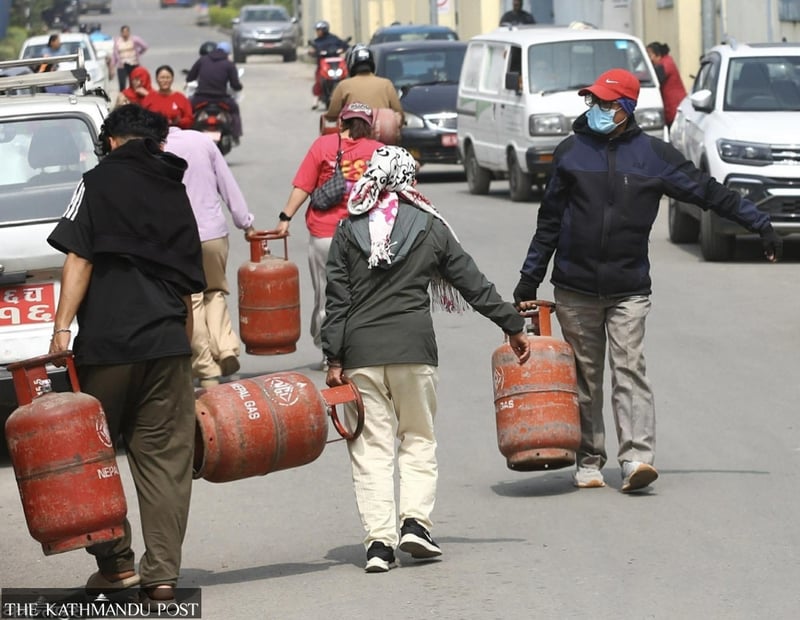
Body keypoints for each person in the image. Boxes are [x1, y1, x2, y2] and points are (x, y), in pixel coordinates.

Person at [512, 68, 782, 494]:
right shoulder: (571, 153)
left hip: (629, 288)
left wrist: (759, 223)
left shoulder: (654, 156)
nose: (597, 109)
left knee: (630, 369)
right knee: (584, 377)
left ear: (625, 110)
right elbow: (548, 223)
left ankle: (637, 458)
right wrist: (530, 279)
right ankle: (588, 458)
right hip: (574, 286)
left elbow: (708, 192)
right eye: (593, 102)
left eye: (605, 103)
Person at [322, 145, 531, 572]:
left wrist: (333, 358)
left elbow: (337, 302)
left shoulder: (347, 230)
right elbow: (472, 283)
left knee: (371, 448)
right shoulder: (431, 228)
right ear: (405, 180)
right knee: (417, 438)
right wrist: (511, 324)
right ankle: (415, 524)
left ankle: (378, 546)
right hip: (414, 353)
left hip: (361, 354)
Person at [46, 104, 205, 606]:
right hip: (166, 344)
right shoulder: (174, 190)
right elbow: (185, 281)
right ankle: (162, 578)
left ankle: (116, 566)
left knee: (86, 456)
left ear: (111, 140)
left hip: (108, 347)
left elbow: (79, 258)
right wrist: (188, 343)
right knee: (165, 462)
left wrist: (61, 329)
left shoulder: (95, 183)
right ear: (155, 143)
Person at [277, 102, 383, 370]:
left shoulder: (323, 146)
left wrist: (285, 218)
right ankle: (360, 349)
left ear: (342, 123)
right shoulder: (378, 151)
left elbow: (303, 185)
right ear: (369, 125)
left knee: (326, 294)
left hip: (325, 234)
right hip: (365, 235)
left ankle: (329, 352)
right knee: (362, 294)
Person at [164, 122, 255, 387]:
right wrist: (245, 222)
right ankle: (225, 347)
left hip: (181, 237)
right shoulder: (203, 141)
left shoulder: (159, 149)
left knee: (192, 298)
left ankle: (206, 369)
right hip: (214, 234)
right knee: (214, 292)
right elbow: (228, 185)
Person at [323, 44, 403, 125]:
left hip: (354, 133)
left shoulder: (343, 85)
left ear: (350, 64)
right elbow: (398, 113)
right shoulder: (386, 84)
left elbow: (332, 114)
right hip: (383, 132)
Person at [186, 41, 243, 143]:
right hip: (221, 99)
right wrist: (239, 87)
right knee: (234, 109)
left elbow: (190, 78)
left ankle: (184, 133)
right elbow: (235, 85)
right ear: (228, 53)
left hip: (201, 98)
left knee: (187, 109)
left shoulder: (202, 60)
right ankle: (236, 134)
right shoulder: (229, 64)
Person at [647, 41, 688, 129]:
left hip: (674, 108)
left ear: (657, 54)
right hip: (672, 108)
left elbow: (655, 77)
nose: (649, 59)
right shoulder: (667, 61)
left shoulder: (666, 64)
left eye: (650, 55)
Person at [310, 20, 349, 110]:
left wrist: (343, 48)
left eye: (319, 30)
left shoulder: (334, 39)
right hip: (323, 65)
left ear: (324, 30)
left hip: (336, 64)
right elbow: (312, 50)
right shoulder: (316, 42)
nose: (317, 32)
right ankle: (315, 100)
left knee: (345, 77)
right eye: (317, 30)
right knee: (319, 80)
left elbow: (344, 45)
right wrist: (313, 52)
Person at [142, 65, 194, 129]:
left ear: (172, 79)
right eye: (162, 78)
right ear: (156, 79)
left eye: (168, 77)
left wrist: (179, 122)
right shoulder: (149, 98)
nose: (165, 80)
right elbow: (142, 118)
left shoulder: (181, 98)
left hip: (176, 133)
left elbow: (190, 119)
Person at [112, 25, 148, 93]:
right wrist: (113, 66)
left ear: (129, 32)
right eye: (123, 32)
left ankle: (134, 98)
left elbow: (145, 46)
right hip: (122, 65)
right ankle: (123, 99)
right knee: (122, 84)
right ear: (121, 33)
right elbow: (115, 54)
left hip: (133, 64)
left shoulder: (134, 39)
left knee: (134, 83)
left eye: (126, 32)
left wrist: (138, 53)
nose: (125, 34)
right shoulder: (117, 41)